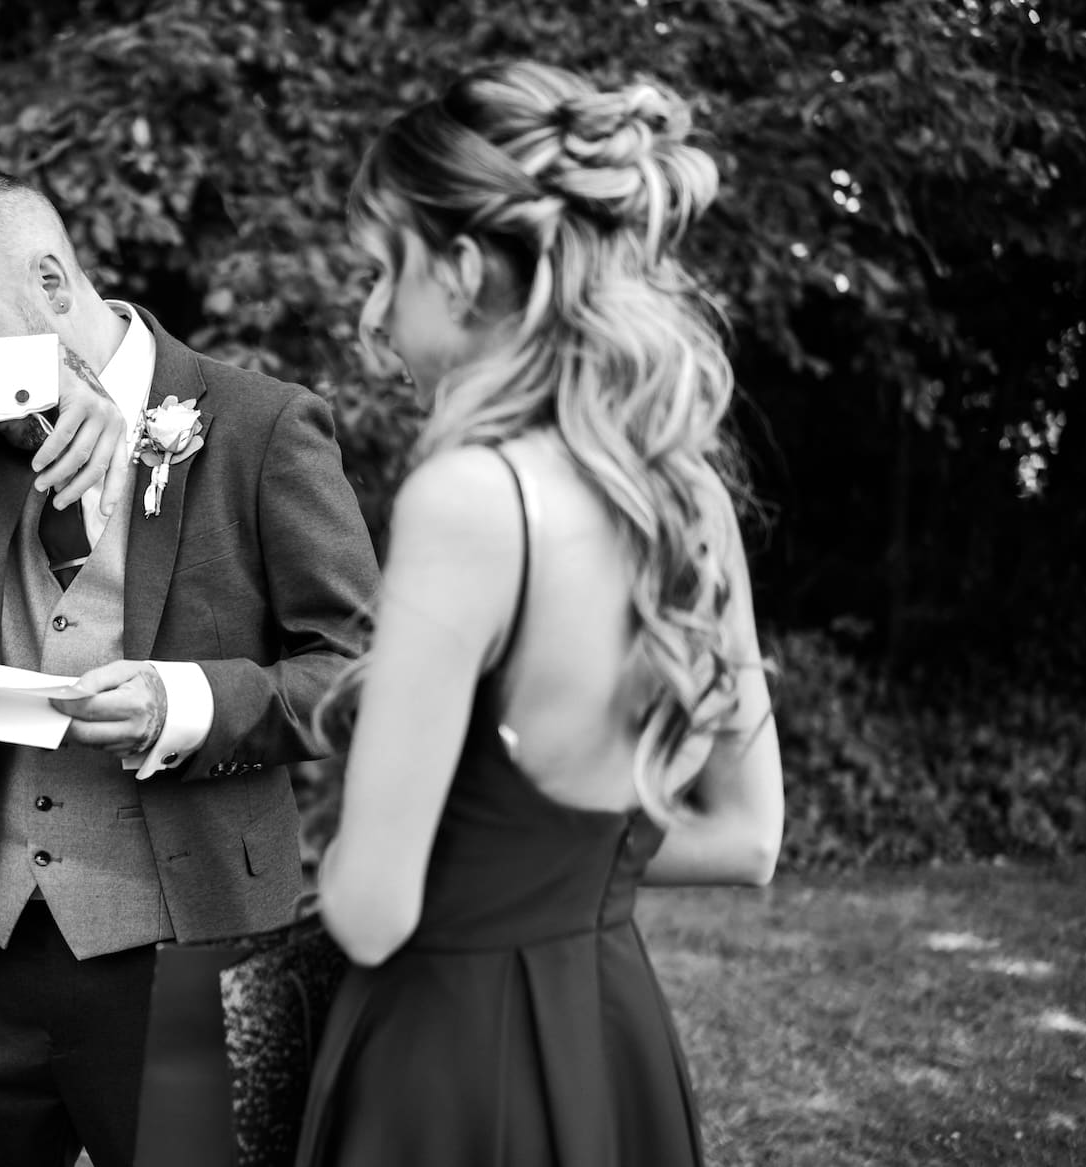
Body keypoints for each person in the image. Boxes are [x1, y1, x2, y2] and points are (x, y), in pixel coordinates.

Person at [0, 163, 378, 1167]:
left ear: (50, 281)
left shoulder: (261, 425)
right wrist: (5, 374)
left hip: (189, 937)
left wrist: (182, 702)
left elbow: (358, 670)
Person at [295, 62, 785, 1166]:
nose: (372, 318)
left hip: (454, 1060)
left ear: (463, 270)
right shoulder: (687, 496)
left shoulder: (469, 499)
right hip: (609, 1036)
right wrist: (553, 877)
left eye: (384, 272)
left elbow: (371, 909)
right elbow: (749, 837)